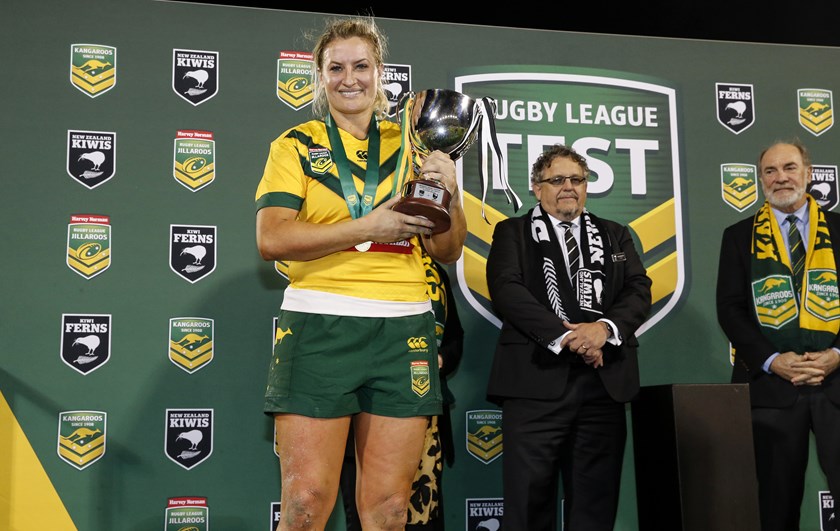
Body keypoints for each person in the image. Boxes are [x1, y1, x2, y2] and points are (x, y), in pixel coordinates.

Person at [254, 16, 467, 531]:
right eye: (336, 67)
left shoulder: (415, 144)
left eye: (362, 66)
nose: (350, 78)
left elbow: (448, 248)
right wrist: (367, 225)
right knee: (306, 504)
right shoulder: (295, 146)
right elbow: (272, 238)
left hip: (404, 330)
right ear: (320, 77)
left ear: (380, 72)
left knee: (391, 511)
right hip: (320, 324)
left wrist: (451, 194)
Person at [485, 143, 652, 531]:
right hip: (534, 385)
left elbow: (638, 290)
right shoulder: (513, 232)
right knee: (528, 506)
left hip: (603, 387)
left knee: (595, 506)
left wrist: (602, 331)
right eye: (557, 179)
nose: (568, 187)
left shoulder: (615, 235)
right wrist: (568, 339)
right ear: (536, 187)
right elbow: (507, 290)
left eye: (577, 179)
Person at [716, 139, 840, 531]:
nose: (780, 177)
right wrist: (773, 360)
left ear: (808, 172)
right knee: (775, 507)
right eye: (770, 171)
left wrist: (838, 353)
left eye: (789, 167)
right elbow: (731, 309)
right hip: (771, 390)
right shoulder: (738, 236)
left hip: (837, 383)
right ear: (761, 179)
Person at [339, 255, 464, 530]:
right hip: (365, 412)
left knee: (424, 517)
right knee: (369, 516)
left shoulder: (434, 272)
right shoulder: (359, 267)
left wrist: (439, 360)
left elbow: (454, 337)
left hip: (426, 412)